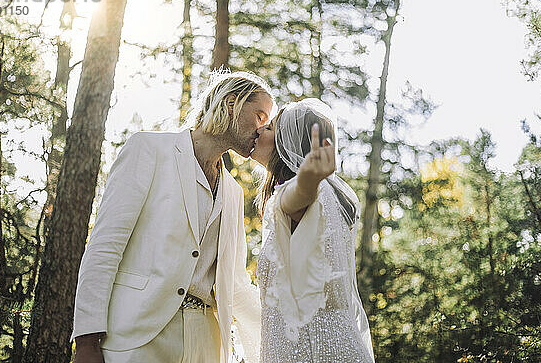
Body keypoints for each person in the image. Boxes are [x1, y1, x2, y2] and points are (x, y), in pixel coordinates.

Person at [70, 71, 273, 363]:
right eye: (259, 116)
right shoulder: (148, 150)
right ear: (231, 103)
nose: (261, 129)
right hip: (137, 337)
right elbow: (105, 247)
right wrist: (86, 340)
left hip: (205, 345)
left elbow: (237, 285)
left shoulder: (234, 193)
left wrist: (291, 333)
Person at [250, 98, 375, 362]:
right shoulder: (331, 194)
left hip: (312, 352)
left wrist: (308, 179)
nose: (260, 130)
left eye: (269, 128)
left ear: (289, 146)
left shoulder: (302, 195)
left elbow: (298, 196)